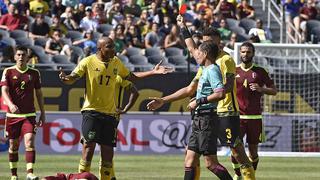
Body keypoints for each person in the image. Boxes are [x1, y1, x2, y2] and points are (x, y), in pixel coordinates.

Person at [147, 15, 255, 180]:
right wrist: (183, 26)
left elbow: (224, 88)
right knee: (190, 159)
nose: (200, 47)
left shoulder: (222, 61)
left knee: (232, 154)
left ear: (215, 44)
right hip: (203, 115)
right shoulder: (204, 67)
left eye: (207, 43)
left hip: (223, 111)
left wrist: (202, 100)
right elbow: (190, 83)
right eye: (204, 41)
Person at [58, 37, 172, 180]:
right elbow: (73, 77)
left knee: (107, 154)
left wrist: (152, 72)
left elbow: (131, 76)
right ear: (100, 48)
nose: (114, 49)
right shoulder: (88, 62)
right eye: (110, 47)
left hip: (110, 115)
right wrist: (65, 78)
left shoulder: (116, 62)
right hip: (91, 111)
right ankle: (81, 178)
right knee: (88, 148)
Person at [184, 41, 232, 180]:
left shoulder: (212, 70)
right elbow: (191, 47)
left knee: (211, 163)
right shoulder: (205, 69)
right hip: (199, 119)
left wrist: (199, 101)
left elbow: (220, 93)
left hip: (207, 120)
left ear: (205, 54)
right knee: (190, 160)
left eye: (198, 52)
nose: (196, 54)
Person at [232, 42, 277, 179]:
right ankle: (237, 175)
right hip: (237, 117)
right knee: (235, 151)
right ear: (240, 53)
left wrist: (261, 89)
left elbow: (274, 91)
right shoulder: (233, 70)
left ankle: (250, 175)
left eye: (249, 52)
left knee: (253, 152)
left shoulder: (260, 71)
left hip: (255, 118)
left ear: (253, 53)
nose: (246, 54)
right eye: (243, 52)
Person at [1, 46, 45, 180]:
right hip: (12, 116)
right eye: (18, 54)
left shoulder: (34, 73)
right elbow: (4, 91)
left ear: (27, 57)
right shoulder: (8, 71)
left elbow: (39, 94)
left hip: (29, 115)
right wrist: (10, 104)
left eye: (23, 55)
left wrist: (43, 112)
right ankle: (14, 174)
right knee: (13, 146)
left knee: (29, 142)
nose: (21, 57)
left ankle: (30, 173)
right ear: (15, 57)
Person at [110, 75, 140, 180]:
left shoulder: (118, 78)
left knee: (102, 148)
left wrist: (125, 109)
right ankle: (111, 176)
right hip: (100, 115)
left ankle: (110, 176)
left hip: (109, 116)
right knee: (104, 148)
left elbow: (135, 91)